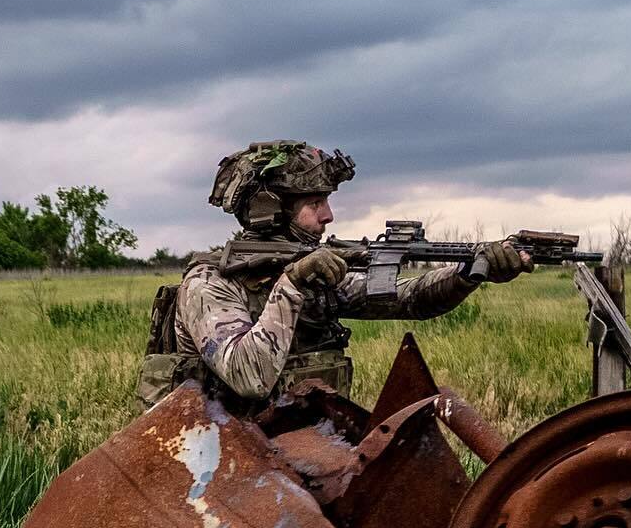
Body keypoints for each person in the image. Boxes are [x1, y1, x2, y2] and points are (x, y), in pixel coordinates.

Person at [137, 140, 531, 411]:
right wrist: (291, 285)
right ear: (269, 210)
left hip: (292, 441)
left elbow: (409, 299)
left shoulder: (317, 273)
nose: (328, 216)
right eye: (314, 203)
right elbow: (248, 375)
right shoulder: (210, 283)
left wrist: (470, 273)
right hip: (215, 458)